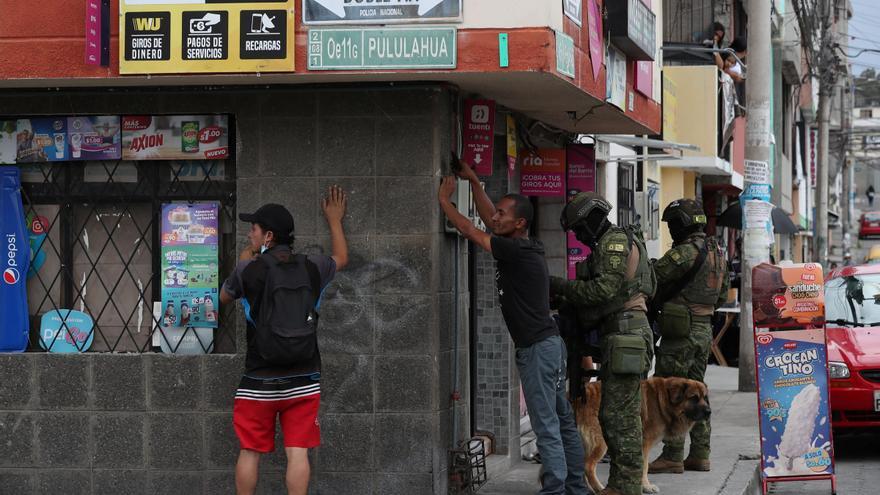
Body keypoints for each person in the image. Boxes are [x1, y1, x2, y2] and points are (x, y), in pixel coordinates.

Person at [440, 163, 587, 495]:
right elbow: (489, 215)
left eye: (504, 214)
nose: (496, 218)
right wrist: (476, 181)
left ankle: (555, 489)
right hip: (550, 346)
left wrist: (445, 200)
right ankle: (576, 487)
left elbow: (469, 229)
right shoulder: (523, 245)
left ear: (519, 223)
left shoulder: (513, 249)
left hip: (538, 349)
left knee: (546, 425)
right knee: (561, 421)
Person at [220, 187, 349, 495]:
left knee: (250, 451)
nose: (249, 235)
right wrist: (334, 219)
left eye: (253, 230)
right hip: (303, 377)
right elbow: (342, 258)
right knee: (297, 452)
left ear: (268, 237)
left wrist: (244, 262)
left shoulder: (247, 269)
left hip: (259, 379)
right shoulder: (312, 266)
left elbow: (223, 298)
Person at [549, 193, 656, 495]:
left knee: (619, 416)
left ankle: (625, 485)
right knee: (618, 413)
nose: (580, 237)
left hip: (626, 335)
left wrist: (559, 286)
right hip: (622, 336)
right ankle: (625, 483)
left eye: (580, 229)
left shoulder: (613, 242)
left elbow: (603, 290)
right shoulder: (616, 241)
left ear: (592, 221)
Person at [647, 199, 728, 475]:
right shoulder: (717, 251)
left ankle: (672, 455)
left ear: (682, 224)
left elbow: (652, 278)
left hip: (680, 333)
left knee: (675, 394)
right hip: (704, 331)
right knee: (699, 394)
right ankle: (700, 455)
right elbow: (724, 292)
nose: (671, 230)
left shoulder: (683, 253)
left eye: (672, 224)